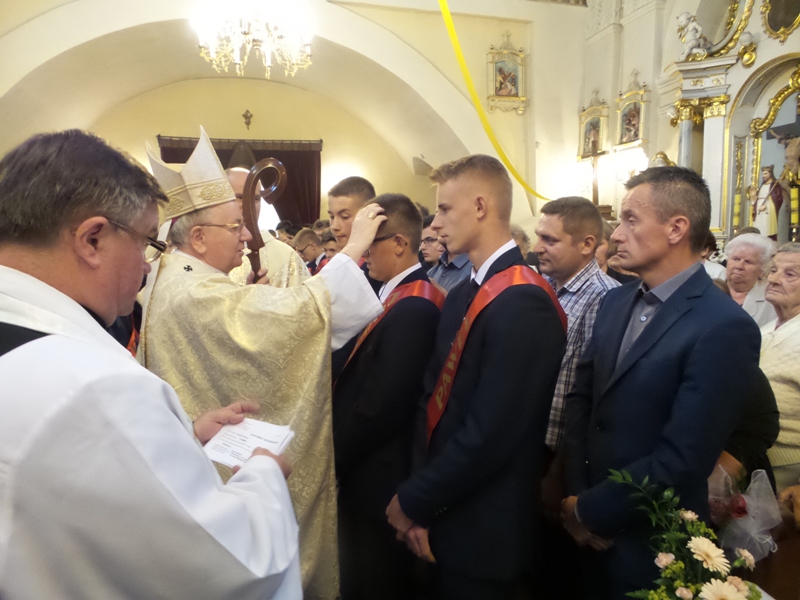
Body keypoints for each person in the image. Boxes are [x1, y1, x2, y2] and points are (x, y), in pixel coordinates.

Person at [0, 130, 303, 599]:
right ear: (92, 239)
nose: (147, 266)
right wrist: (262, 473)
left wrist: (183, 437)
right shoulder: (94, 387)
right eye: (147, 243)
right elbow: (226, 565)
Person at [141, 128, 385, 600]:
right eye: (235, 226)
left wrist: (249, 299)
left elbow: (238, 321)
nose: (249, 234)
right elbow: (296, 317)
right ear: (198, 237)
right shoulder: (194, 289)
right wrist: (353, 250)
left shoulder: (176, 273)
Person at [561, 167, 763, 598]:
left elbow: (683, 457)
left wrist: (590, 509)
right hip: (582, 534)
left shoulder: (723, 325)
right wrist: (575, 498)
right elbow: (582, 402)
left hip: (649, 545)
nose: (616, 235)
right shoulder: (615, 301)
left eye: (630, 219)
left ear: (676, 228)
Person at [386, 155, 567, 599]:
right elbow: (431, 402)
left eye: (445, 209)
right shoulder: (463, 293)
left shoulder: (524, 301)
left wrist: (416, 500)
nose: (434, 224)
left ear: (481, 206)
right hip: (441, 512)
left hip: (485, 530)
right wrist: (420, 499)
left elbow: (493, 432)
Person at [333, 194, 444, 600]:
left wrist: (332, 453)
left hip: (380, 475)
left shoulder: (417, 306)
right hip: (364, 470)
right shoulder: (391, 293)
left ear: (399, 244)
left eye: (370, 244)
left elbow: (382, 407)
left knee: (374, 581)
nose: (363, 255)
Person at [533, 197, 619, 599]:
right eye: (538, 237)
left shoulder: (603, 298)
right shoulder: (545, 287)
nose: (538, 247)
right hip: (533, 446)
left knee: (560, 571)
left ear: (587, 244)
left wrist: (559, 470)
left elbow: (585, 395)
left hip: (562, 457)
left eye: (550, 240)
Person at [226, 167, 309, 288]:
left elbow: (304, 298)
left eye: (255, 199)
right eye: (239, 197)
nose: (248, 205)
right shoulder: (208, 249)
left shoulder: (285, 255)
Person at [725, 233, 777, 327]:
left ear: (763, 269)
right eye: (736, 259)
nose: (739, 266)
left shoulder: (771, 300)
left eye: (748, 262)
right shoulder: (711, 289)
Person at [750, 165, 790, 242]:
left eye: (765, 173)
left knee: (767, 229)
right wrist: (754, 197)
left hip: (768, 212)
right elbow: (757, 199)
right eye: (762, 174)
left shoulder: (775, 186)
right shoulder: (762, 185)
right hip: (759, 211)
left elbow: (778, 200)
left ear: (770, 174)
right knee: (758, 228)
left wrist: (767, 206)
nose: (763, 176)